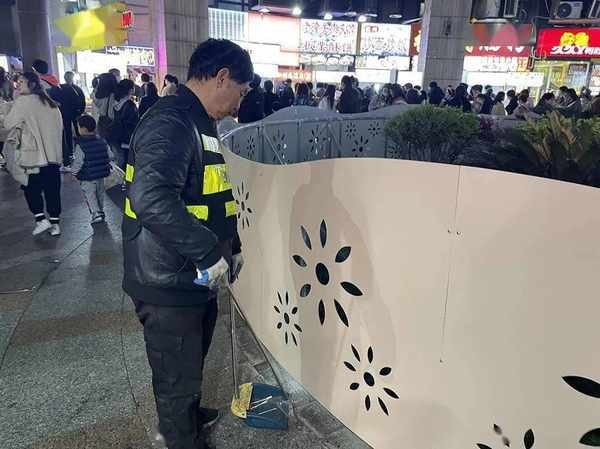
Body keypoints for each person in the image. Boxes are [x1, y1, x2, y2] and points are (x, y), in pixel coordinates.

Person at [122, 38, 252, 449]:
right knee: (176, 374)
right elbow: (151, 198)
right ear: (222, 77)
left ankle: (189, 417)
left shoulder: (197, 120)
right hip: (167, 278)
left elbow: (212, 197)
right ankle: (182, 438)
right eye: (241, 92)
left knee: (189, 361)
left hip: (188, 273)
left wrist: (233, 245)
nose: (239, 105)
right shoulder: (172, 121)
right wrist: (210, 251)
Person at [5, 72, 63, 236]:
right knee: (52, 189)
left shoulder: (23, 102)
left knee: (30, 187)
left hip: (34, 157)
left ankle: (40, 219)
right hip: (52, 155)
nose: (18, 85)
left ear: (31, 84)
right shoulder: (50, 103)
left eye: (21, 82)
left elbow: (8, 123)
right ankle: (55, 224)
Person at [70, 114, 111, 224]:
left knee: (90, 195)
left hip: (87, 176)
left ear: (83, 129)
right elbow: (110, 155)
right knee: (100, 194)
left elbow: (78, 162)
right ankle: (101, 211)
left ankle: (96, 213)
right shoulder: (102, 141)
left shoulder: (81, 144)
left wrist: (73, 172)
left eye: (78, 127)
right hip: (101, 175)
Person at [108, 79, 138, 170]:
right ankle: (128, 178)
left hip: (116, 135)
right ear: (130, 90)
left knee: (120, 160)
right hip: (127, 137)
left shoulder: (116, 102)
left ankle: (121, 176)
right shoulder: (130, 105)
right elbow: (132, 123)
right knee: (129, 162)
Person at [59, 71, 86, 166]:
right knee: (77, 132)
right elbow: (82, 101)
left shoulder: (60, 88)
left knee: (68, 133)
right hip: (75, 113)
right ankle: (79, 150)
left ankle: (70, 152)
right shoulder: (77, 89)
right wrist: (80, 111)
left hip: (66, 114)